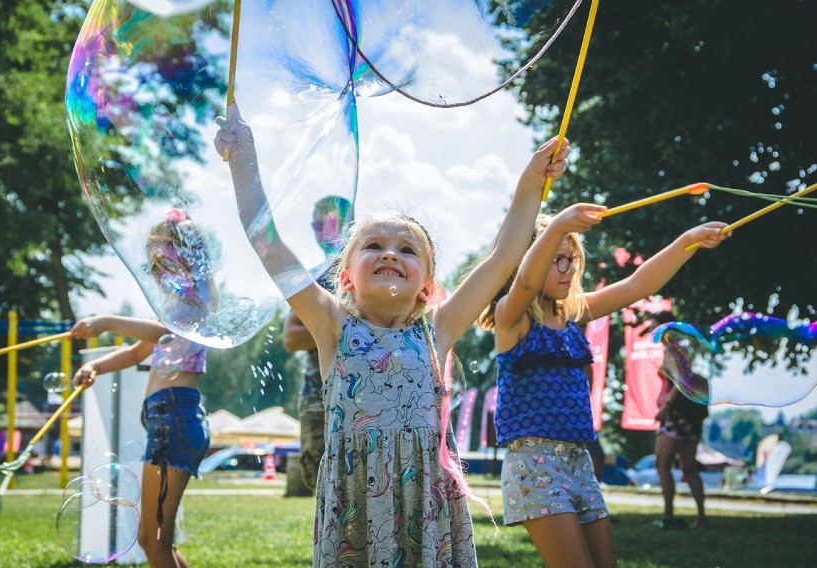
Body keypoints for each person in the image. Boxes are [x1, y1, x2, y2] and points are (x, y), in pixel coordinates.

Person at [215, 105, 570, 566]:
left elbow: (504, 258)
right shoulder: (330, 325)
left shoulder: (438, 328)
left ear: (426, 283)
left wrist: (530, 182)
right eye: (373, 246)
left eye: (407, 249)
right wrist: (243, 160)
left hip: (428, 501)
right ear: (345, 277)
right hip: (356, 503)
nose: (390, 253)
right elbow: (266, 239)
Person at [478, 204, 730, 567]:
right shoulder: (510, 316)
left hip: (578, 461)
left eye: (572, 259)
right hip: (534, 465)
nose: (568, 270)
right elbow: (528, 284)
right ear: (523, 261)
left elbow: (638, 284)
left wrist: (689, 240)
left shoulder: (571, 313)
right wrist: (558, 225)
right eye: (557, 259)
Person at [71, 316, 209, 568]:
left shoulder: (191, 303)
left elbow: (164, 332)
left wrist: (105, 322)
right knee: (156, 541)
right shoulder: (173, 308)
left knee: (154, 541)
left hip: (173, 421)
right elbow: (135, 353)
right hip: (171, 421)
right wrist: (95, 367)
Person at [283, 195, 354, 493]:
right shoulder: (314, 278)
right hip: (318, 396)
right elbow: (290, 337)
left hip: (365, 393)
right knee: (321, 483)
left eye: (326, 223)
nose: (319, 231)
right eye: (316, 224)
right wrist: (339, 327)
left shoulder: (368, 268)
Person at [650, 311, 709, 529]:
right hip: (690, 417)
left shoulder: (671, 351)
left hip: (675, 416)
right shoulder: (682, 349)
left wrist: (666, 407)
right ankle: (702, 518)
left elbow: (679, 382)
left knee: (662, 463)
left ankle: (668, 517)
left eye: (653, 326)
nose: (650, 331)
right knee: (689, 467)